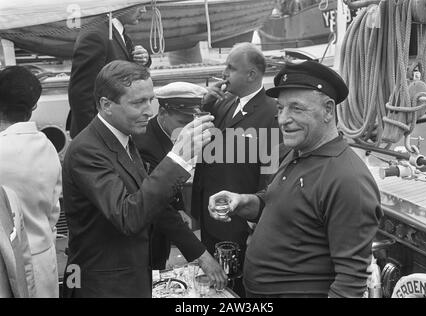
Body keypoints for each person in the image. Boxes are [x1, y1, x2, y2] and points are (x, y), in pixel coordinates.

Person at [208, 61, 383, 298]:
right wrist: (241, 201)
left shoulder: (347, 180)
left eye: (296, 109)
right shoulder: (295, 152)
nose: (283, 119)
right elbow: (278, 204)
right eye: (280, 108)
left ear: (328, 110)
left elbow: (350, 282)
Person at [61, 60, 222, 298]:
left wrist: (198, 253)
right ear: (106, 105)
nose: (149, 111)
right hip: (103, 287)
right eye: (138, 102)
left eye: (150, 100)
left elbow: (149, 202)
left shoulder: (123, 137)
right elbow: (128, 216)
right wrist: (177, 158)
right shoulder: (86, 150)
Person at [191, 42, 281, 296]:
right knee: (215, 288)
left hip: (239, 222)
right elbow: (207, 151)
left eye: (231, 68)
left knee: (238, 289)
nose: (224, 74)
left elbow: (270, 177)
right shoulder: (223, 103)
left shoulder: (271, 113)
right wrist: (205, 104)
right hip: (211, 215)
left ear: (251, 75)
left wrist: (257, 228)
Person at [134, 82, 226, 285]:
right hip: (143, 237)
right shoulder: (144, 145)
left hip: (161, 233)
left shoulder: (171, 134)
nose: (187, 127)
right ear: (163, 112)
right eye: (182, 120)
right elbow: (158, 207)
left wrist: (179, 207)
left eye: (191, 120)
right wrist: (201, 255)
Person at [0, 66, 62, 297]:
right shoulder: (46, 146)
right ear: (34, 106)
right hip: (43, 259)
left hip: (6, 267)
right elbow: (54, 211)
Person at [68, 5, 151, 138]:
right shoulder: (95, 35)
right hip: (99, 133)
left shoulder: (113, 31)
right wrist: (92, 137)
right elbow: (81, 94)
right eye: (138, 4)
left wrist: (143, 60)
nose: (144, 10)